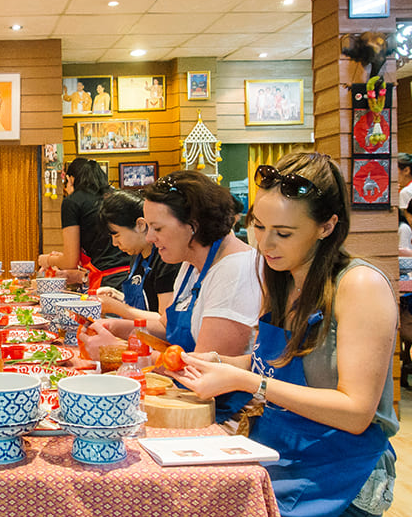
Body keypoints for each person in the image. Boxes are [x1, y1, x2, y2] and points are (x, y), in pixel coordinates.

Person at [170, 152, 398, 517]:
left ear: (327, 226)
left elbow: (356, 411)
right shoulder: (280, 275)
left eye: (284, 233)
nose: (265, 243)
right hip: (282, 456)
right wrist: (221, 362)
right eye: (258, 227)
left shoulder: (359, 285)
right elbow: (279, 362)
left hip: (341, 475)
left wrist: (248, 381)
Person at [80, 169, 261, 421]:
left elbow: (201, 370)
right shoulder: (189, 261)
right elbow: (167, 325)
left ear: (193, 226)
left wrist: (121, 351)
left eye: (157, 228)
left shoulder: (235, 271)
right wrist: (119, 326)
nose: (150, 237)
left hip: (221, 415)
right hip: (180, 400)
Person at [38, 159, 129, 291]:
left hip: (107, 280)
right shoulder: (117, 196)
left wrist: (47, 260)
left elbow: (70, 261)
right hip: (133, 275)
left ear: (71, 179)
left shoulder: (73, 202)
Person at [95, 189, 181, 322]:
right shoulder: (137, 256)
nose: (115, 243)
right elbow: (147, 303)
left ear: (140, 225)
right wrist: (119, 297)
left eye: (117, 235)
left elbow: (165, 320)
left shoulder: (166, 259)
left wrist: (116, 307)